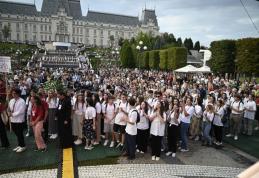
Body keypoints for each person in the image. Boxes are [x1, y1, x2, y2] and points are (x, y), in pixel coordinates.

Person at [8, 88, 27, 153]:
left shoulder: (22, 101)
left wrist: (12, 114)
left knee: (20, 133)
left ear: (18, 94)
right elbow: (10, 108)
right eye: (12, 93)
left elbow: (21, 111)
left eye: (15, 93)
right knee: (16, 133)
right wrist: (9, 112)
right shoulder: (11, 101)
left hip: (19, 120)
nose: (13, 94)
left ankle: (23, 146)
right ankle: (19, 145)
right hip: (13, 120)